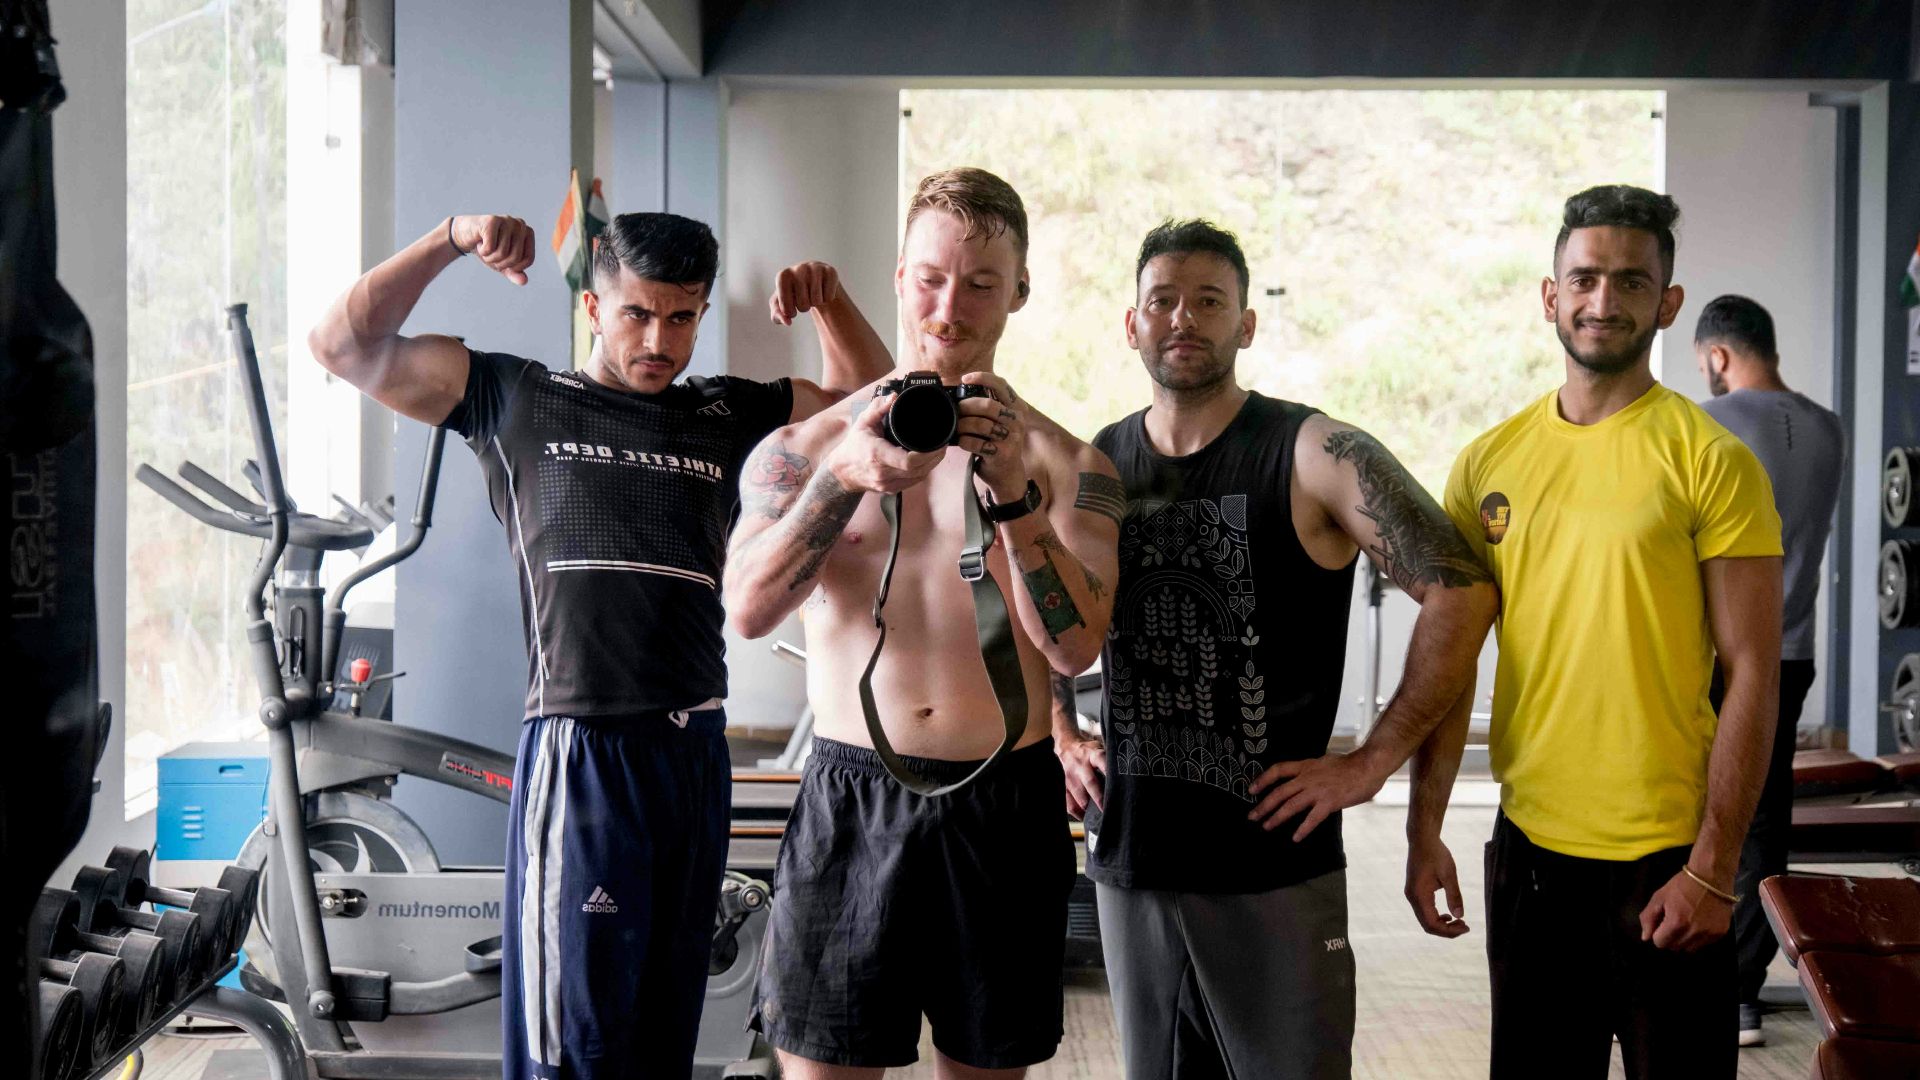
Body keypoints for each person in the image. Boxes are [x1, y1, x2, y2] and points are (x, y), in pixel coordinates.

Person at [306, 209, 893, 1080]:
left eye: (683, 316)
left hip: (694, 753)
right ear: (591, 305)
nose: (661, 340)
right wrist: (449, 239)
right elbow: (343, 345)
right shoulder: (515, 399)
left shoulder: (724, 413)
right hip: (582, 751)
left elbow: (870, 413)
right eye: (637, 314)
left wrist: (834, 303)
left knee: (667, 1032)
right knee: (571, 1049)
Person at [1045, 219, 1496, 1079]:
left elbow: (1462, 590)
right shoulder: (1097, 461)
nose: (1184, 318)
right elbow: (1042, 599)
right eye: (1163, 301)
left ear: (1246, 324)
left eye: (1209, 301)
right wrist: (1065, 733)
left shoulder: (1314, 451)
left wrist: (1372, 762)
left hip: (1272, 863)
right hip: (1134, 854)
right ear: (1131, 323)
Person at [722, 167, 1121, 1078]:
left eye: (983, 282)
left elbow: (1074, 645)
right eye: (933, 277)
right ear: (899, 276)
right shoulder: (804, 452)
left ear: (1020, 290)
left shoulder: (1066, 462)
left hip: (1006, 804)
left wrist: (1015, 501)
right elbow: (746, 610)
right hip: (851, 797)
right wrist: (843, 481)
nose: (952, 305)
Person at [1412, 185, 1784, 1078]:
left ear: (1668, 303)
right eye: (1584, 278)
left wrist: (1712, 868)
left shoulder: (1711, 460)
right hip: (1532, 855)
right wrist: (1425, 828)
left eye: (1629, 281)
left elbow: (1753, 674)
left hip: (1668, 859)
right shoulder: (1489, 461)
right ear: (1551, 294)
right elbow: (1453, 663)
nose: (1603, 301)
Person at [1693, 293, 1846, 1047]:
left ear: (1718, 356)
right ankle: (1743, 994)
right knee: (1763, 817)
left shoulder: (1707, 422)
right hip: (1795, 652)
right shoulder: (1828, 427)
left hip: (1719, 655)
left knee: (1703, 813)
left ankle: (1705, 986)